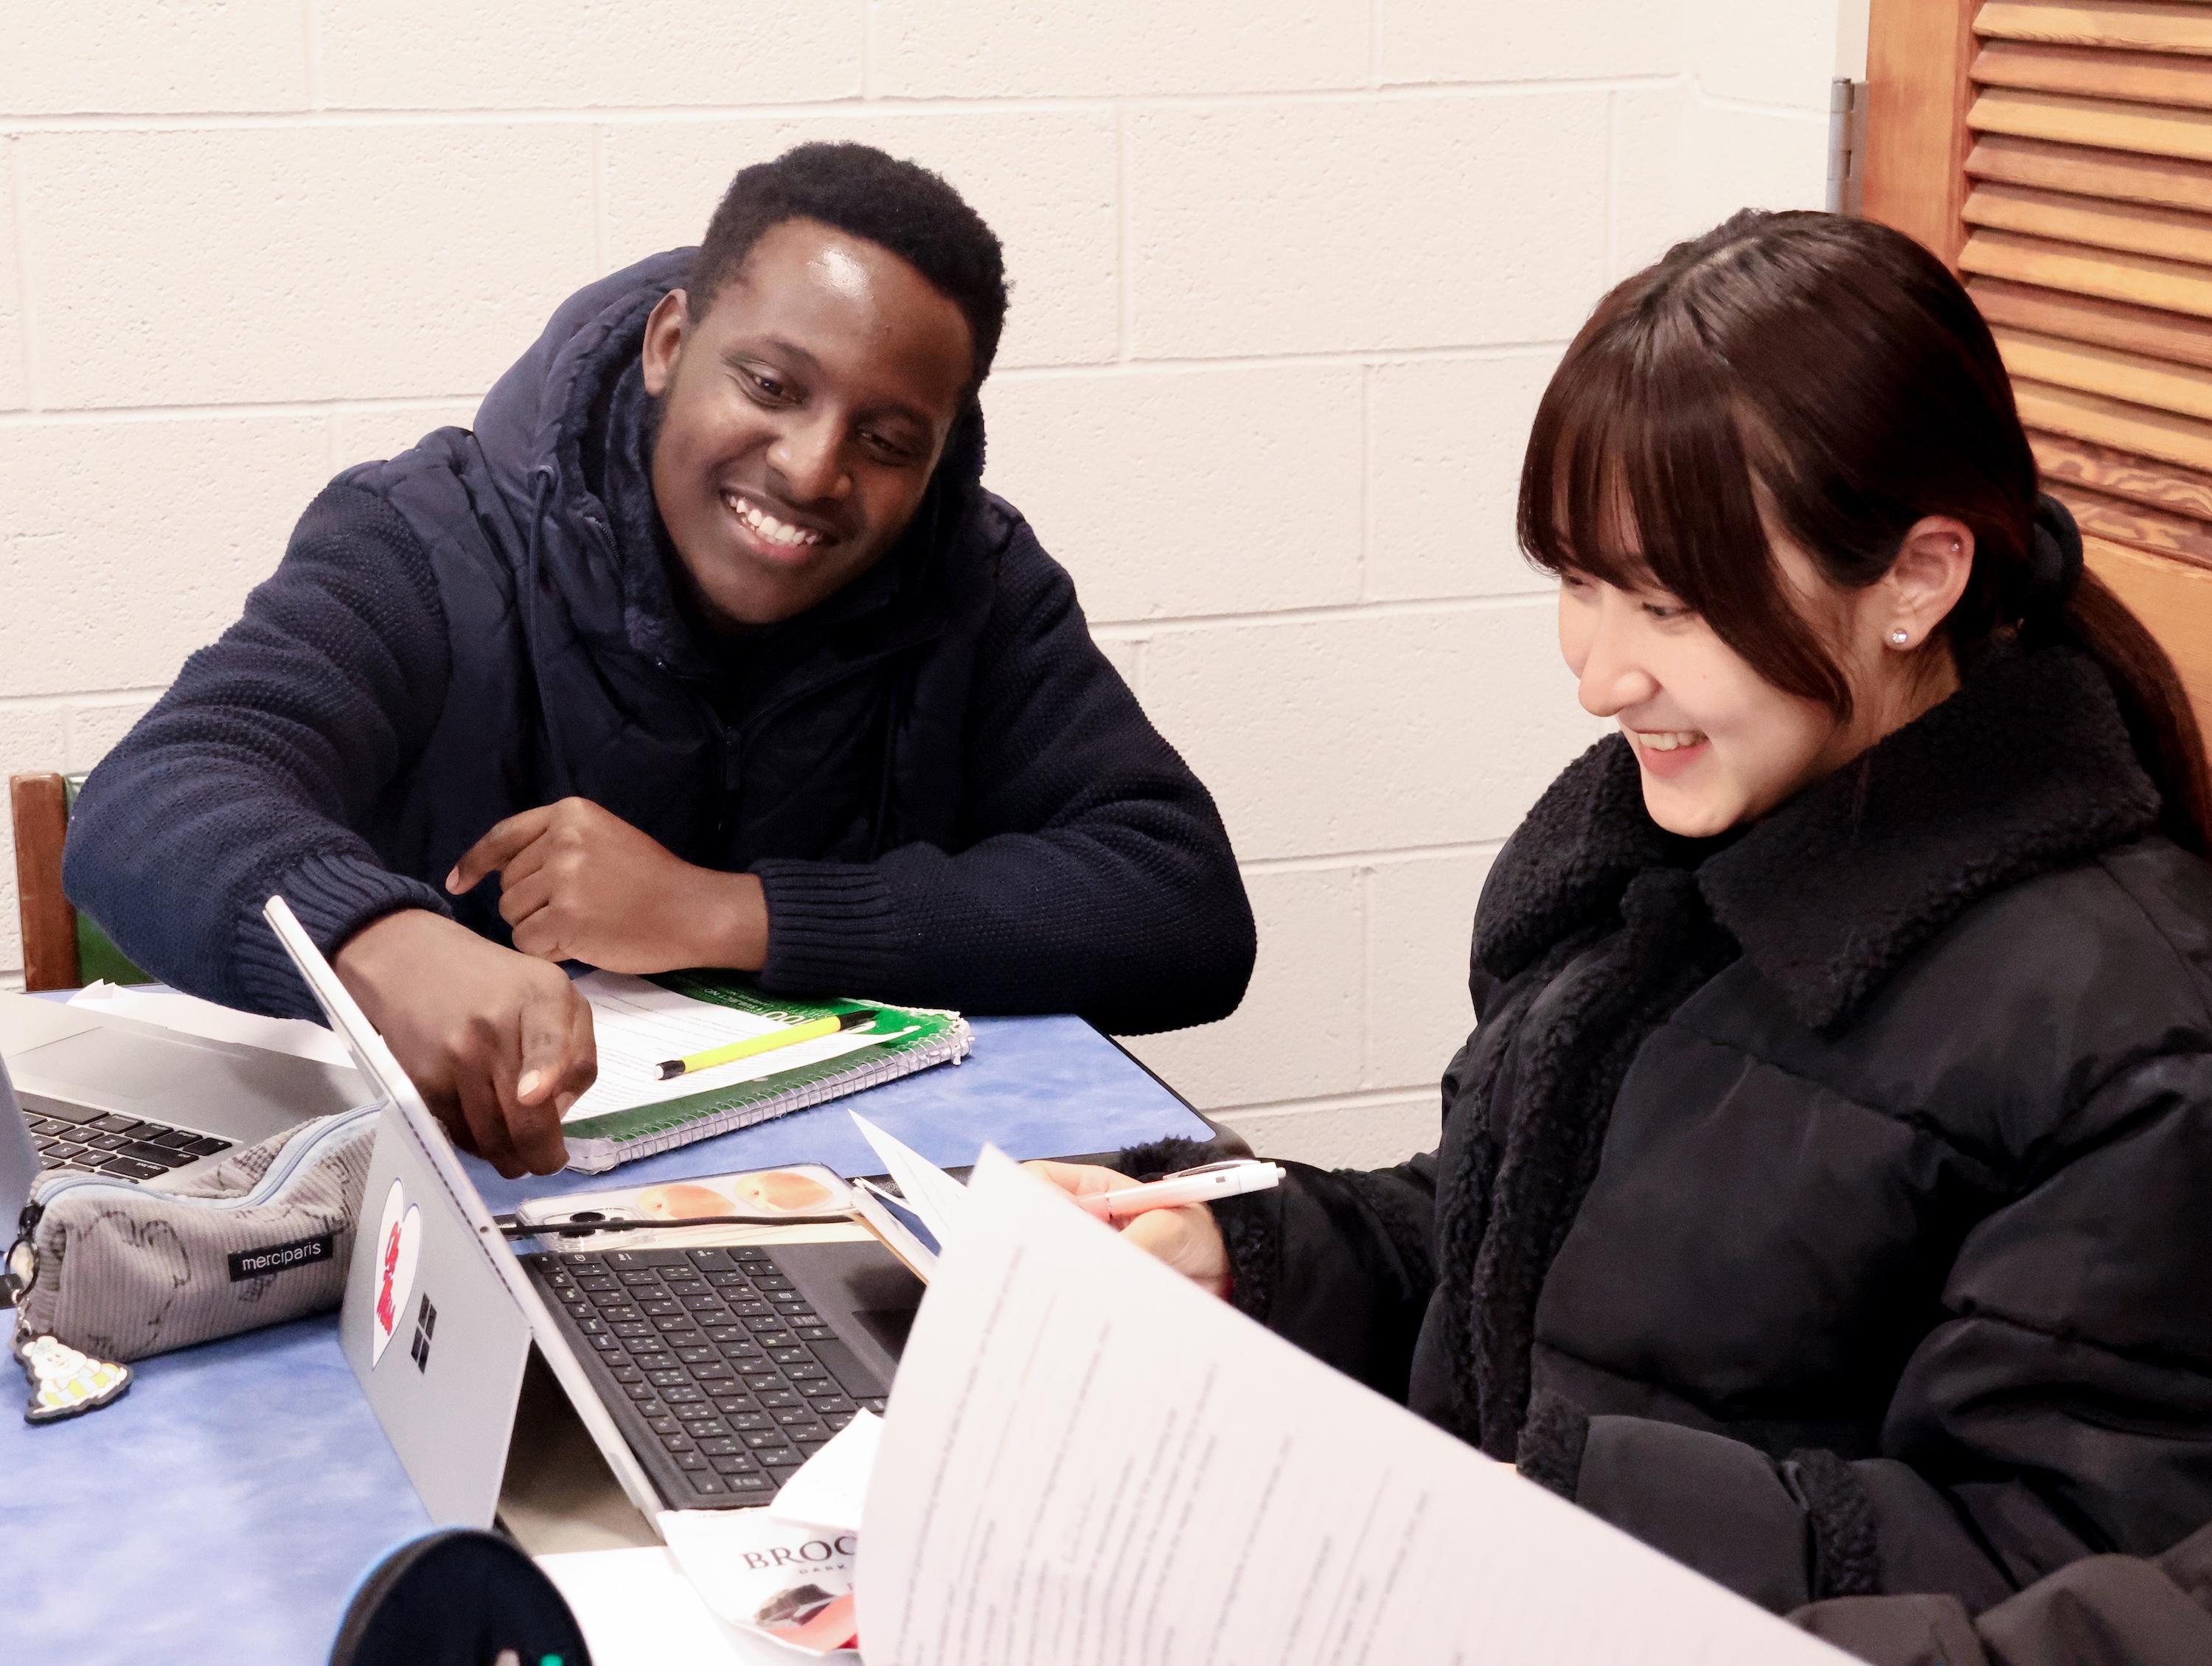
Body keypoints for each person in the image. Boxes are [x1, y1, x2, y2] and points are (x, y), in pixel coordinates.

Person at [1036, 209, 2212, 1641]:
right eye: (1578, 584)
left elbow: (2055, 1554)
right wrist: (1246, 1250)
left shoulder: (2128, 1023)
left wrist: (1549, 1499)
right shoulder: (1673, 846)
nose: (1600, 675)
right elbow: (1518, 1247)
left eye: (1666, 602)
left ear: (1918, 579)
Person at [63, 142, 1255, 1177]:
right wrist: (376, 944)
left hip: (833, 1224)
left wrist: (727, 914)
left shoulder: (976, 584)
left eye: (888, 440)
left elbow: (1181, 910)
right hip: (480, 1219)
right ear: (671, 342)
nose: (811, 466)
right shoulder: (429, 536)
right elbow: (152, 798)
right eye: (772, 385)